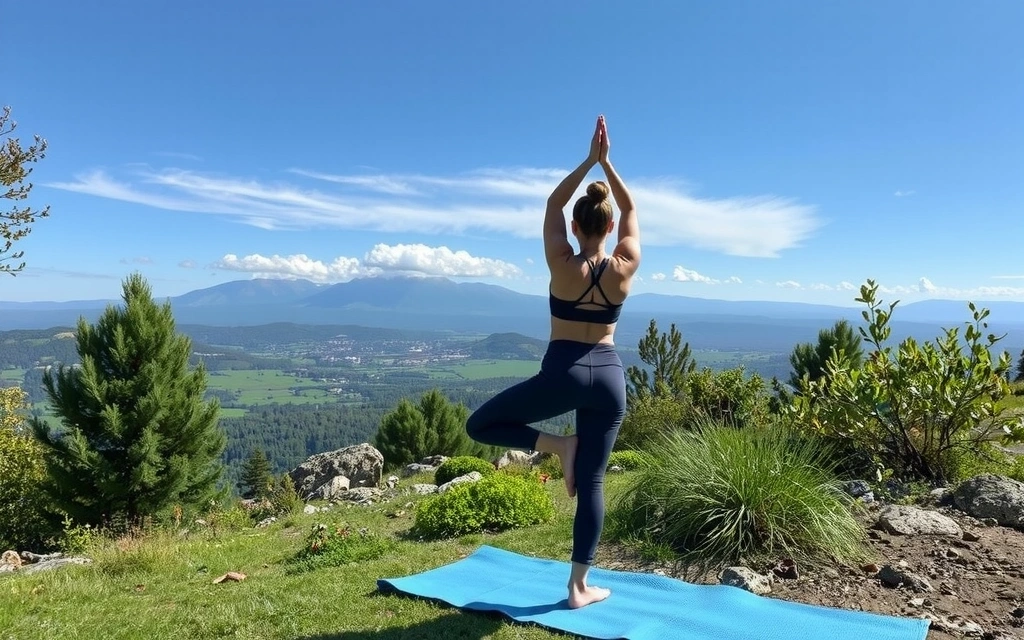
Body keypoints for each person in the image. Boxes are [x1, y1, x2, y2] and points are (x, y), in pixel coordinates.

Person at [466, 114, 640, 609]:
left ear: (574, 226)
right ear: (607, 226)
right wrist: (608, 164)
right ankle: (579, 588)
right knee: (594, 481)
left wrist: (588, 160)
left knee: (481, 424)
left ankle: (556, 444)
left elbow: (552, 202)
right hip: (608, 376)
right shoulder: (624, 265)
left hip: (561, 371)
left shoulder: (561, 264)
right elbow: (631, 208)